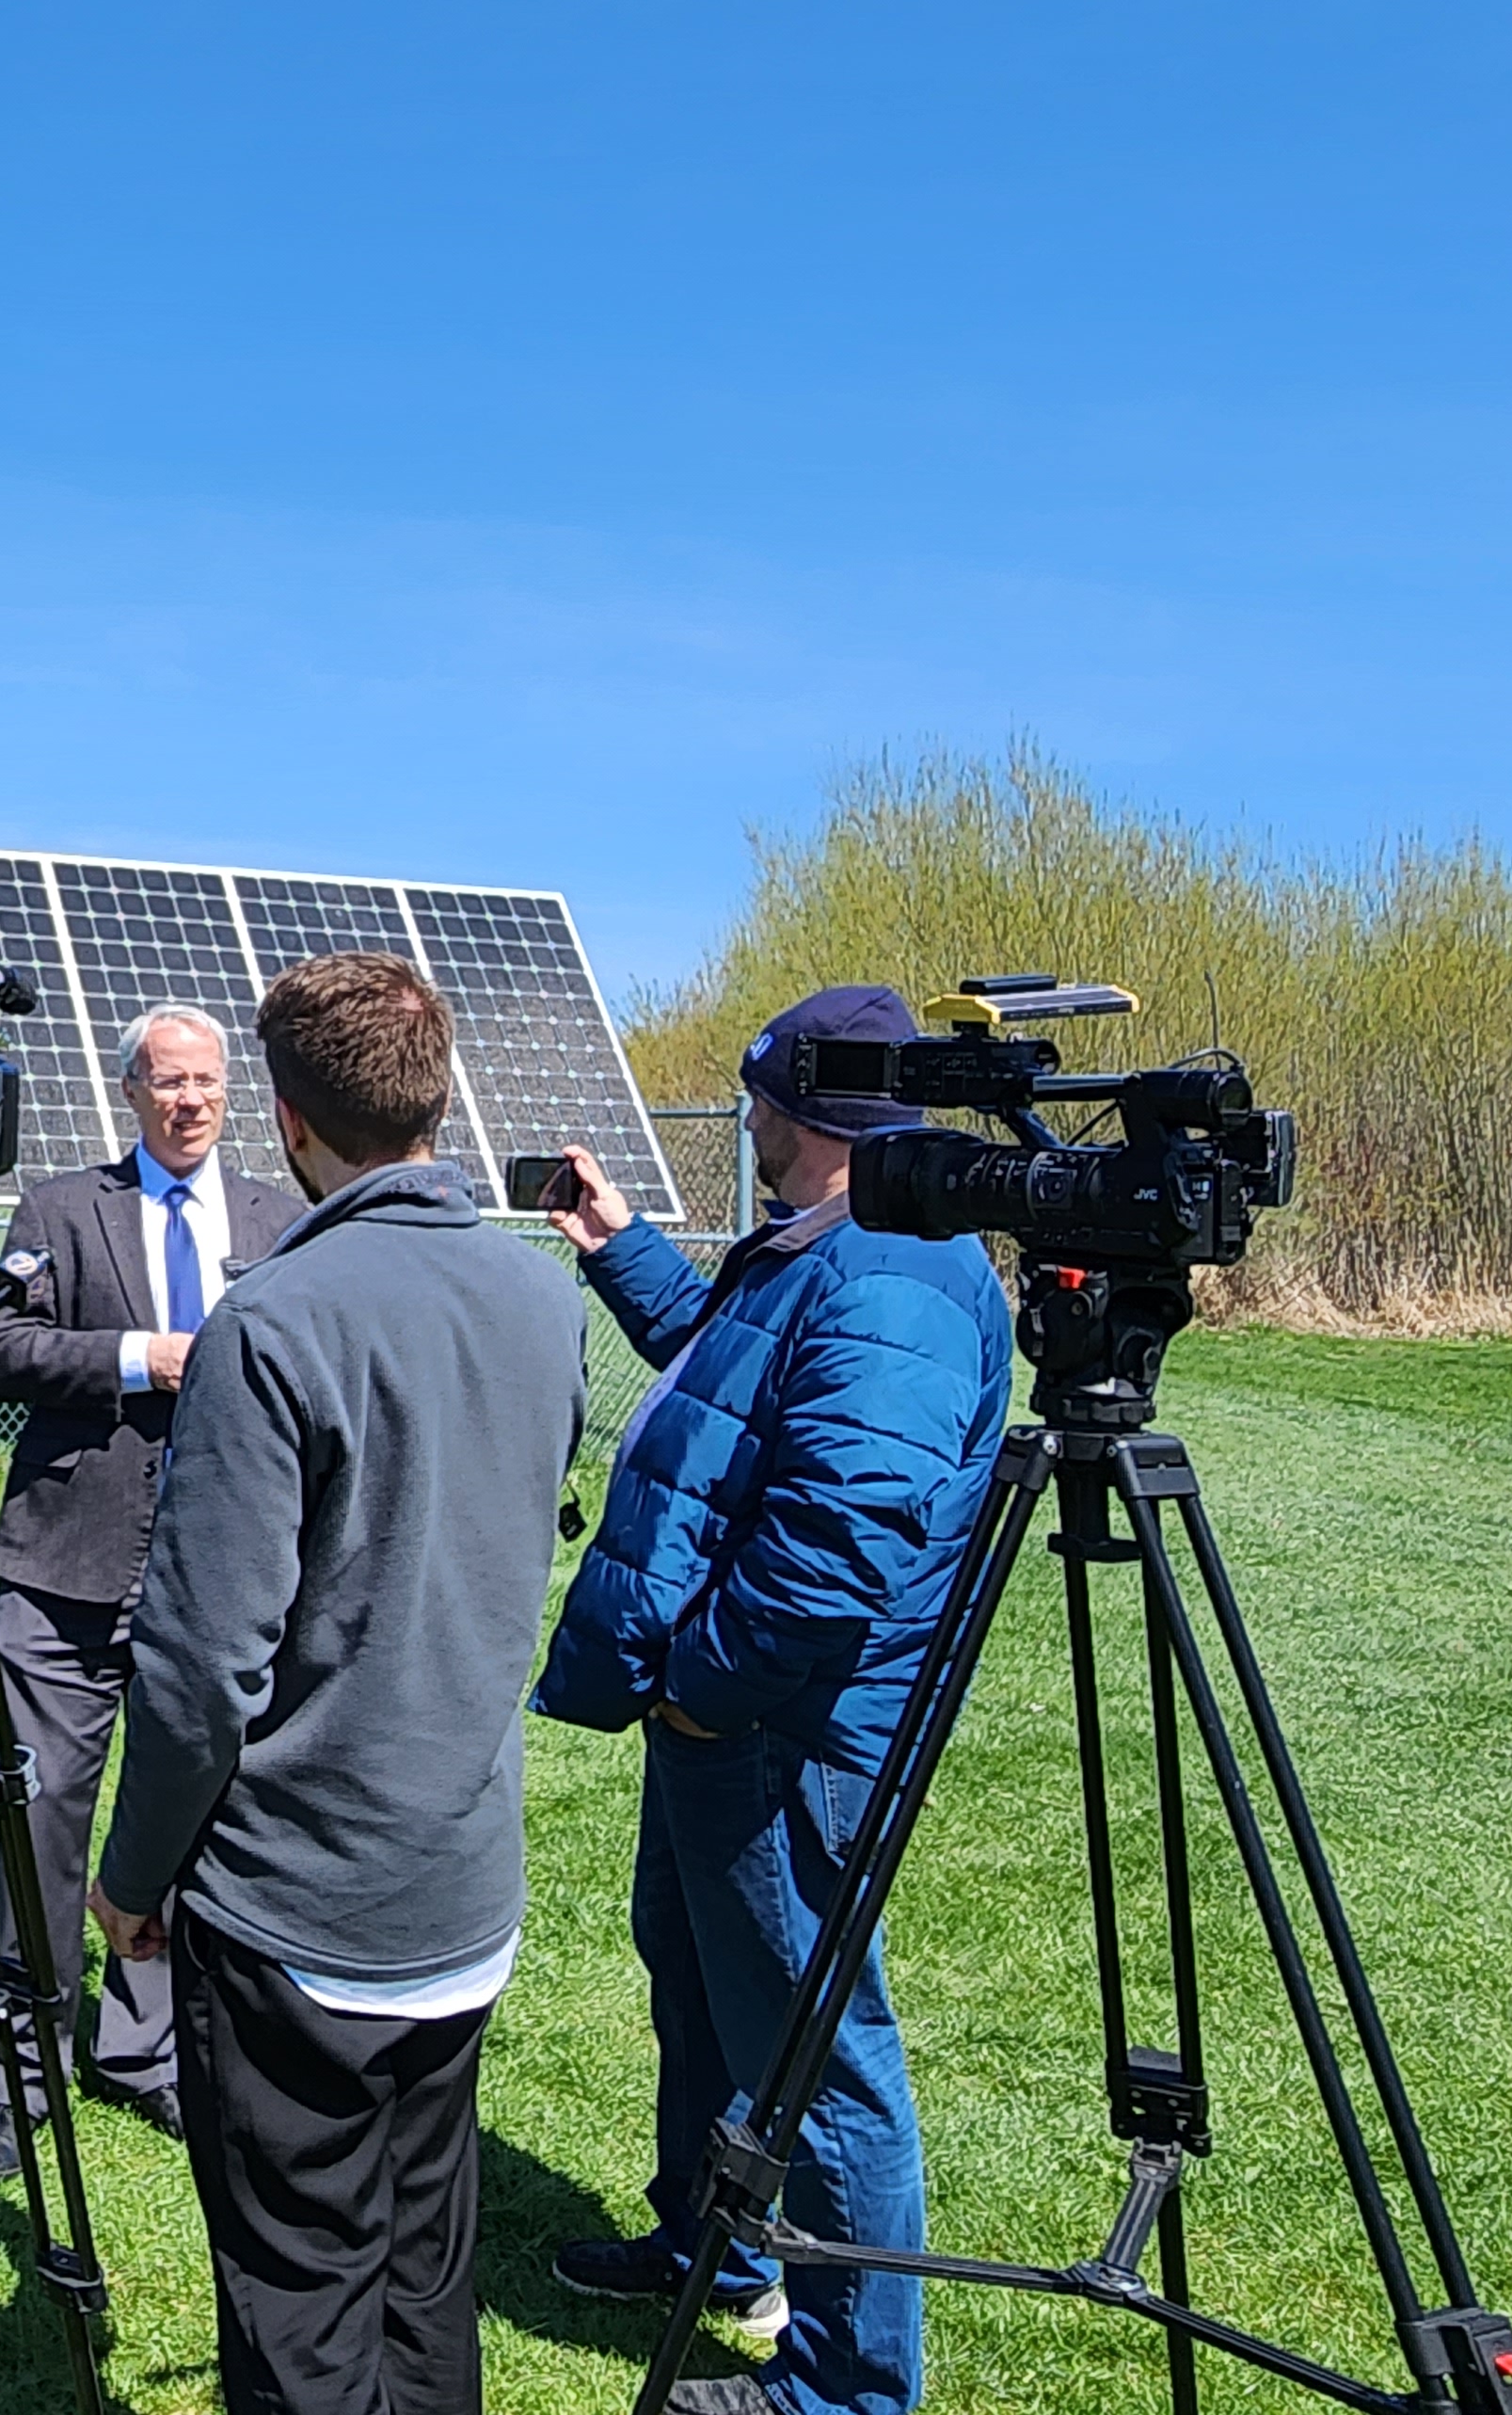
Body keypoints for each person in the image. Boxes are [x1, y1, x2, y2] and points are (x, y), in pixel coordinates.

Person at [88, 951, 587, 2415]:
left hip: (300, 1915)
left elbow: (197, 1675)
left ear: (290, 1126)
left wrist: (129, 1882)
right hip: (460, 1894)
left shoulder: (275, 1322)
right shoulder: (544, 1300)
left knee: (304, 2308)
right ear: (439, 1101)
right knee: (424, 2279)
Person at [528, 984, 1013, 2415]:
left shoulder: (903, 1273)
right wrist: (619, 1249)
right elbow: (726, 1375)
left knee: (818, 2050)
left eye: (755, 1092)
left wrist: (704, 1687)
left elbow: (843, 1525)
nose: (742, 1113)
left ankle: (846, 2389)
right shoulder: (823, 1246)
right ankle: (715, 2248)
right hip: (731, 1723)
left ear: (801, 1106)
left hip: (789, 1733)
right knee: (703, 1984)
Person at [0, 1001, 306, 2139]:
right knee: (43, 1812)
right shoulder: (63, 1211)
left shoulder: (281, 1221)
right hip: (67, 1568)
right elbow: (2, 1347)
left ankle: (143, 2046)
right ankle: (19, 2069)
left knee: (192, 1815)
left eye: (207, 1081)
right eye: (167, 1082)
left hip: (221, 1575)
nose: (190, 1100)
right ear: (131, 1092)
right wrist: (136, 1357)